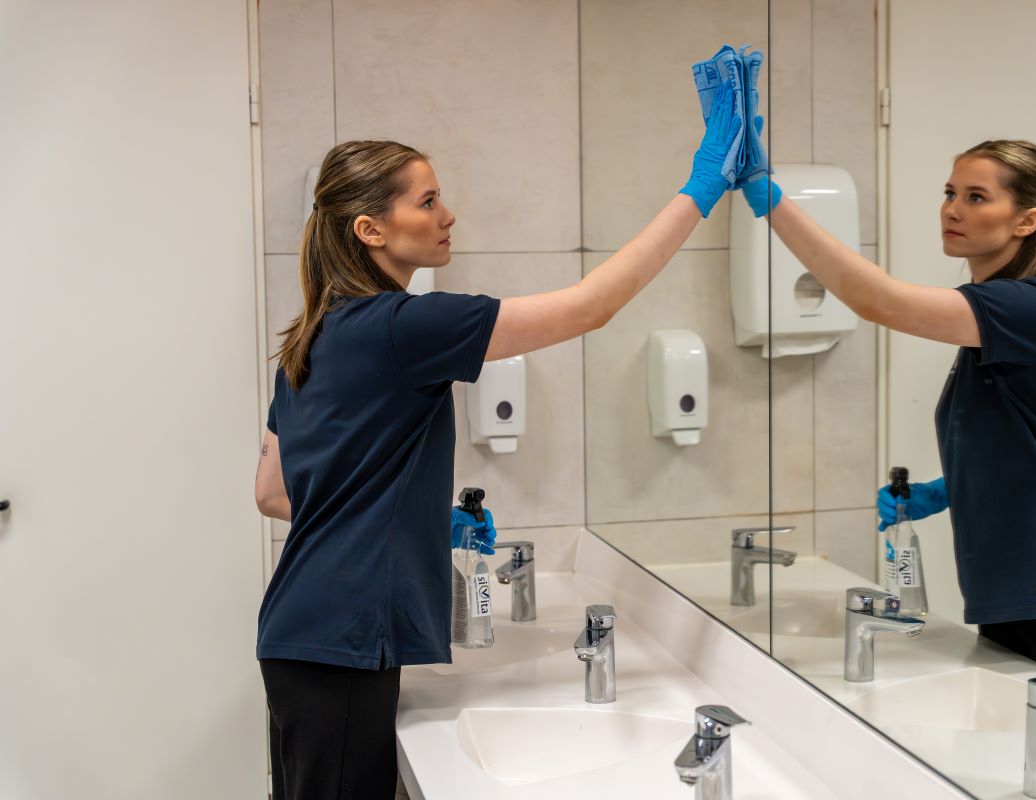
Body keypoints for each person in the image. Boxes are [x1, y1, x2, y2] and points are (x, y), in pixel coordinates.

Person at [250, 80, 741, 799]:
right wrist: (701, 188)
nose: (448, 215)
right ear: (370, 229)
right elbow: (591, 307)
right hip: (345, 640)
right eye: (427, 201)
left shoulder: (311, 336)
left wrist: (404, 519)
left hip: (300, 633)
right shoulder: (403, 326)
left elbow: (271, 492)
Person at [739, 137, 1036, 707]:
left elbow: (877, 300)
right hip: (1016, 594)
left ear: (1026, 221)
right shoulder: (994, 315)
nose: (953, 209)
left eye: (977, 197)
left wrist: (770, 199)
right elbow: (1028, 443)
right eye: (950, 193)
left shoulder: (1028, 306)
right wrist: (949, 489)